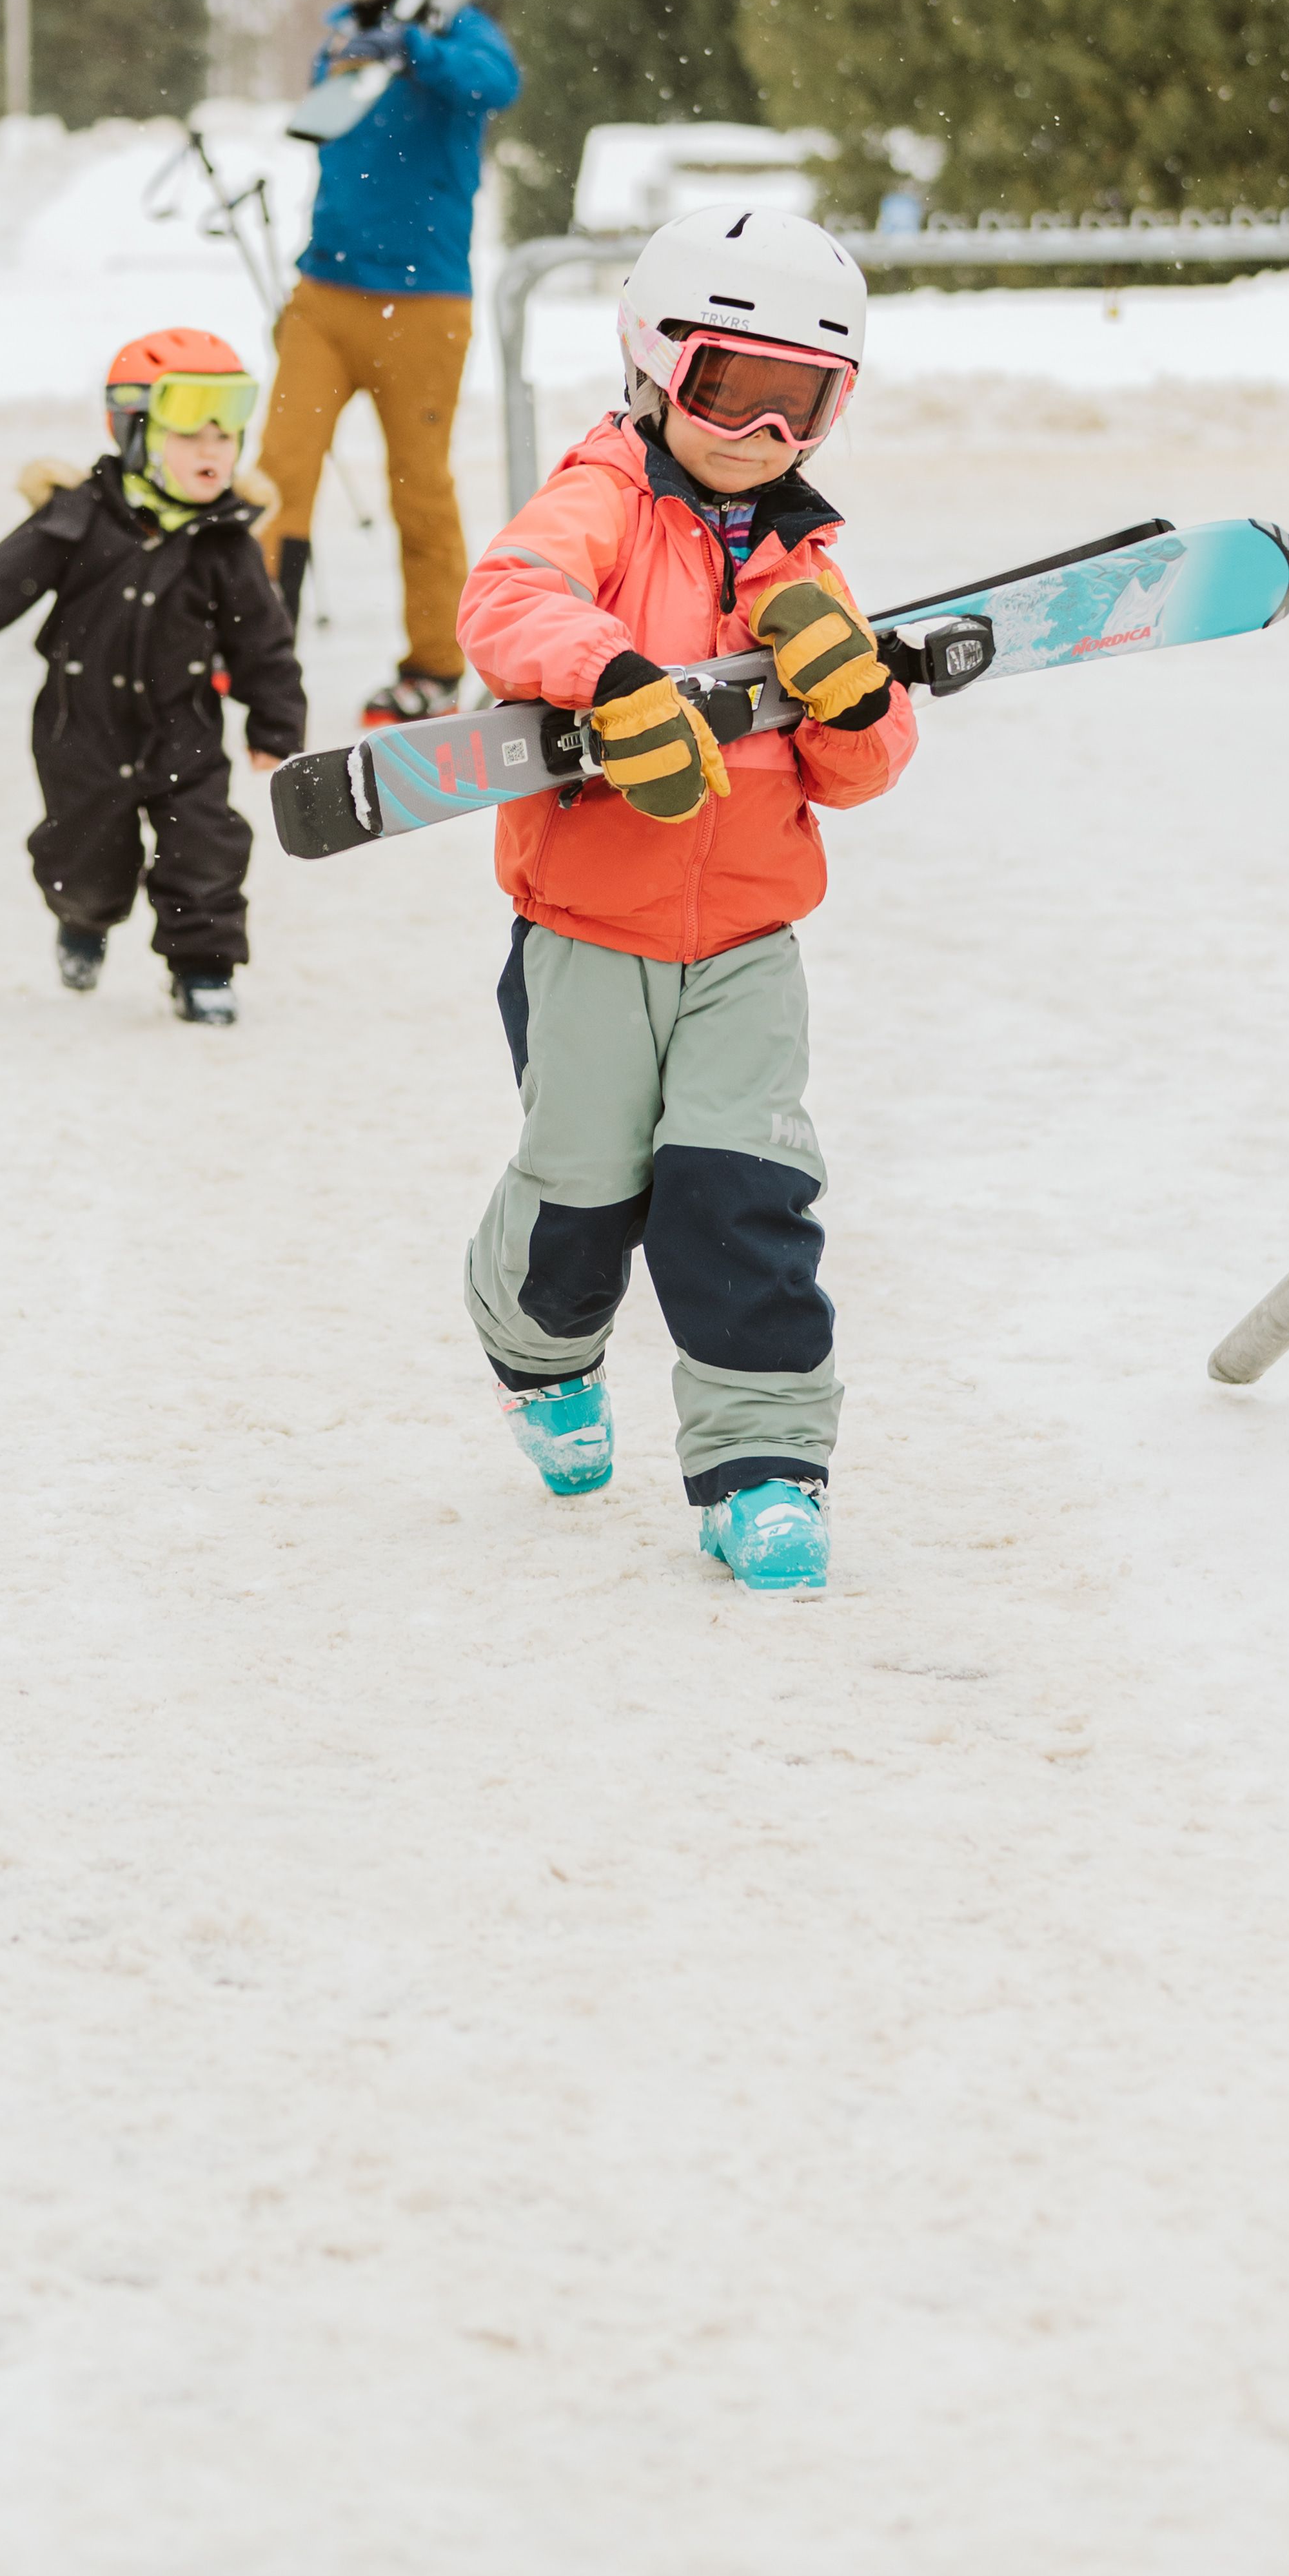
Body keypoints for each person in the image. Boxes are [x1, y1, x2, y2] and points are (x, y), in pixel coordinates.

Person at [453, 205, 917, 1592]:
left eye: (801, 406)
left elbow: (865, 772)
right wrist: (603, 674)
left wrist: (854, 696)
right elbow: (507, 596)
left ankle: (762, 1464)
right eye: (731, 390)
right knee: (587, 1189)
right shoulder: (600, 496)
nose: (762, 436)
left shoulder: (802, 561)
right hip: (588, 937)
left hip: (747, 945)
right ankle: (535, 1348)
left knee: (743, 1189)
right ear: (657, 366)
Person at [0, 328, 307, 1028]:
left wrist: (276, 722)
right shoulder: (75, 519)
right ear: (136, 431)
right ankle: (83, 918)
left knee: (206, 848)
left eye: (226, 436)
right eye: (192, 434)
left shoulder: (226, 543)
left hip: (184, 733)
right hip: (80, 731)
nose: (214, 452)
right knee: (85, 860)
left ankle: (203, 967)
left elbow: (265, 644)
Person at [256, 0, 520, 732]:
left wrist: (417, 49)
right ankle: (257, 655)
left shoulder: (462, 31)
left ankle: (434, 668)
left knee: (419, 490)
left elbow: (497, 87)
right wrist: (369, 47)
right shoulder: (336, 33)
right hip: (324, 297)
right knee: (276, 478)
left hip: (424, 307)